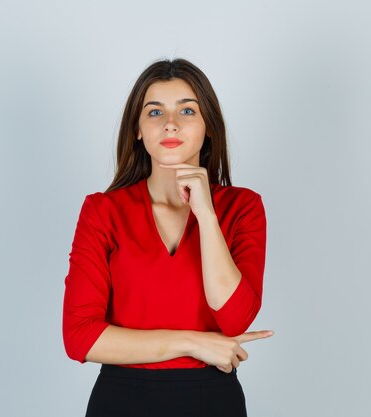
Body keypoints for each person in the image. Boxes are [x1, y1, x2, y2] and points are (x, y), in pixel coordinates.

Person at [62, 57, 274, 417]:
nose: (171, 123)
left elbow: (235, 320)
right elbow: (80, 337)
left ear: (208, 126)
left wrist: (206, 215)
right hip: (121, 401)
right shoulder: (103, 211)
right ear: (138, 130)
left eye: (187, 111)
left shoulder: (243, 207)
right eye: (155, 112)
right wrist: (194, 344)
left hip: (213, 401)